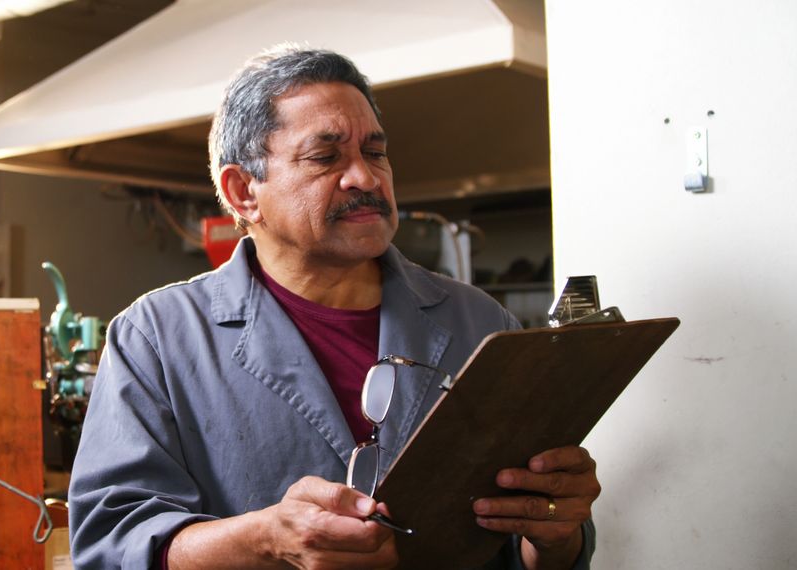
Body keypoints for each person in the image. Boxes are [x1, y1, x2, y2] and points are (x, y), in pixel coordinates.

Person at [68, 45, 600, 569]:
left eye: (375, 152)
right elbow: (110, 546)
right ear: (243, 191)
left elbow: (520, 545)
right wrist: (262, 541)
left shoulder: (480, 323)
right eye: (325, 157)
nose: (366, 179)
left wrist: (555, 537)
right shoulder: (155, 338)